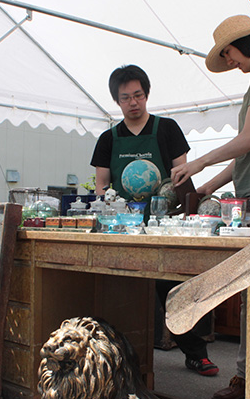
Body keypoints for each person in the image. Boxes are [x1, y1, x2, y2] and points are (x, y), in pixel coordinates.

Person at [171, 15, 250, 399]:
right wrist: (208, 187)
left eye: (229, 52)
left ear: (247, 42)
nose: (229, 61)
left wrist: (200, 162)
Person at [90, 64, 219, 377]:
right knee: (121, 290)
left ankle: (195, 353)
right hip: (124, 228)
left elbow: (181, 177)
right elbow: (101, 185)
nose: (133, 102)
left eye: (138, 95)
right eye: (125, 98)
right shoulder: (108, 139)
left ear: (146, 95)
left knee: (172, 289)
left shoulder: (167, 129)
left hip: (164, 226)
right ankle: (118, 356)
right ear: (117, 101)